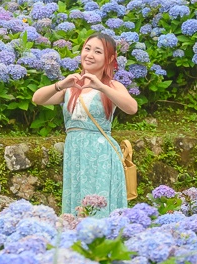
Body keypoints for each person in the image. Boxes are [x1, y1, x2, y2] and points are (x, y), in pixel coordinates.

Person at [31, 33, 138, 218]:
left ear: (109, 58)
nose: (90, 54)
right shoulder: (72, 87)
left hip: (102, 155)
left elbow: (132, 108)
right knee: (77, 206)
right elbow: (37, 99)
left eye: (98, 51)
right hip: (75, 153)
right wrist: (61, 85)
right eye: (87, 49)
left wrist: (101, 87)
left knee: (101, 207)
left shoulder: (112, 85)